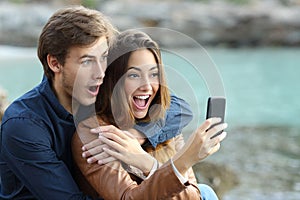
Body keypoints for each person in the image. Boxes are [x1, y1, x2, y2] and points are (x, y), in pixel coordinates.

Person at [0, 6, 193, 199]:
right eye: (87, 62)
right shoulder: (24, 124)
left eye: (104, 58)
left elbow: (178, 108)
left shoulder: (96, 90)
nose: (100, 73)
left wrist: (137, 135)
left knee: (205, 193)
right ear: (54, 63)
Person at [72, 30, 227, 199]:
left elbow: (193, 196)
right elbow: (127, 197)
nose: (147, 86)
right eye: (133, 75)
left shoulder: (164, 121)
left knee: (205, 192)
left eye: (154, 74)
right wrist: (185, 160)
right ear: (113, 80)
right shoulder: (94, 132)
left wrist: (146, 162)